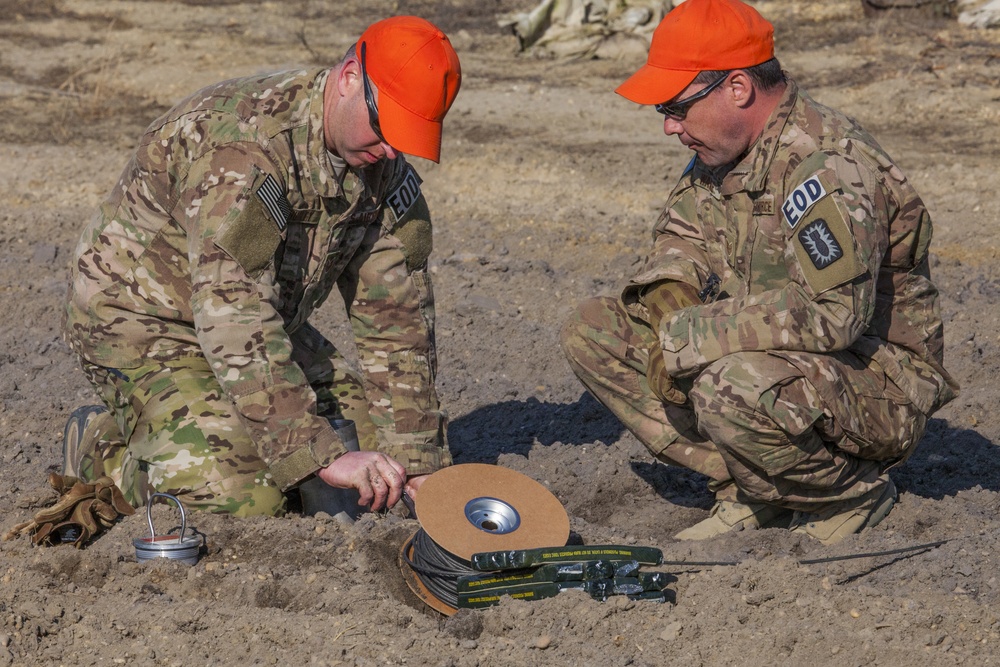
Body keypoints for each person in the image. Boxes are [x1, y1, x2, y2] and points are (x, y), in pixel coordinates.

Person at [560, 0, 958, 544]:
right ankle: (754, 486)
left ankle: (845, 493)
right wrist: (669, 300)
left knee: (733, 382)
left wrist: (687, 338)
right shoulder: (723, 151)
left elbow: (834, 316)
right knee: (593, 330)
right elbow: (681, 235)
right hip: (781, 358)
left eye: (676, 107)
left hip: (876, 379)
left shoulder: (826, 166)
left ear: (739, 89)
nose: (670, 127)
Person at [62, 16, 461, 518]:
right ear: (349, 78)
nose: (391, 150)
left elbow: (397, 317)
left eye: (407, 136)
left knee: (378, 476)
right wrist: (311, 451)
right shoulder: (243, 149)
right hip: (143, 325)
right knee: (246, 499)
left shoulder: (380, 164)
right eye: (386, 128)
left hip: (259, 322)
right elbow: (233, 315)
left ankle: (206, 427)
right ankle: (108, 448)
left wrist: (415, 460)